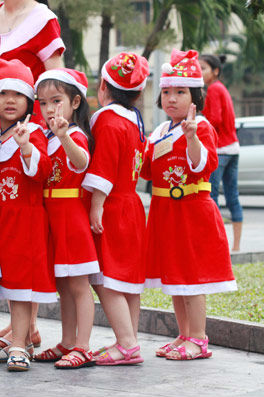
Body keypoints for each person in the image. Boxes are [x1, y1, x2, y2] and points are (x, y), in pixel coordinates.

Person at [0, 0, 65, 345]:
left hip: (30, 132)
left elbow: (57, 82)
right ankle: (23, 326)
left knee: (25, 230)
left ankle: (24, 327)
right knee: (2, 227)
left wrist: (48, 130)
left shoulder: (42, 19)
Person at [143, 49, 237, 360]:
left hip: (191, 212)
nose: (171, 98)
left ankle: (198, 339)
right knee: (175, 278)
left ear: (195, 95)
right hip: (165, 213)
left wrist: (193, 137)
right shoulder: (159, 132)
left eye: (180, 92)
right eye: (166, 91)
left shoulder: (203, 127)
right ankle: (183, 335)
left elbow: (203, 165)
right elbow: (146, 172)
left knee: (192, 279)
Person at [0, 59, 55, 372]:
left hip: (25, 222)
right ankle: (23, 339)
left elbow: (42, 171)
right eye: (3, 93)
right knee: (10, 284)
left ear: (29, 100)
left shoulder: (34, 133)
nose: (10, 100)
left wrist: (26, 147)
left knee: (22, 286)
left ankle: (17, 345)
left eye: (17, 94)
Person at [81, 52, 149, 366]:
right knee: (127, 280)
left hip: (110, 206)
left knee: (105, 277)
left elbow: (104, 169)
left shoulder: (107, 121)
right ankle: (129, 340)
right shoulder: (136, 121)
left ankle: (126, 343)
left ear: (104, 88)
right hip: (132, 205)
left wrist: (96, 206)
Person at [34, 68, 98, 369]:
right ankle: (67, 341)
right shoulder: (43, 135)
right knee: (63, 285)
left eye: (56, 100)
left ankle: (83, 345)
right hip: (51, 218)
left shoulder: (72, 134)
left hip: (70, 216)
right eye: (43, 102)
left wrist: (63, 137)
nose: (49, 108)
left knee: (78, 285)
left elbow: (81, 162)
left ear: (75, 102)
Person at [199, 54, 242, 252]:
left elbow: (214, 119)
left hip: (221, 149)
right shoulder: (221, 88)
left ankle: (215, 245)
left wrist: (199, 122)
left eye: (204, 68)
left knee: (211, 197)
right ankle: (236, 246)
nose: (200, 71)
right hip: (233, 147)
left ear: (215, 71)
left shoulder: (214, 89)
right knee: (232, 197)